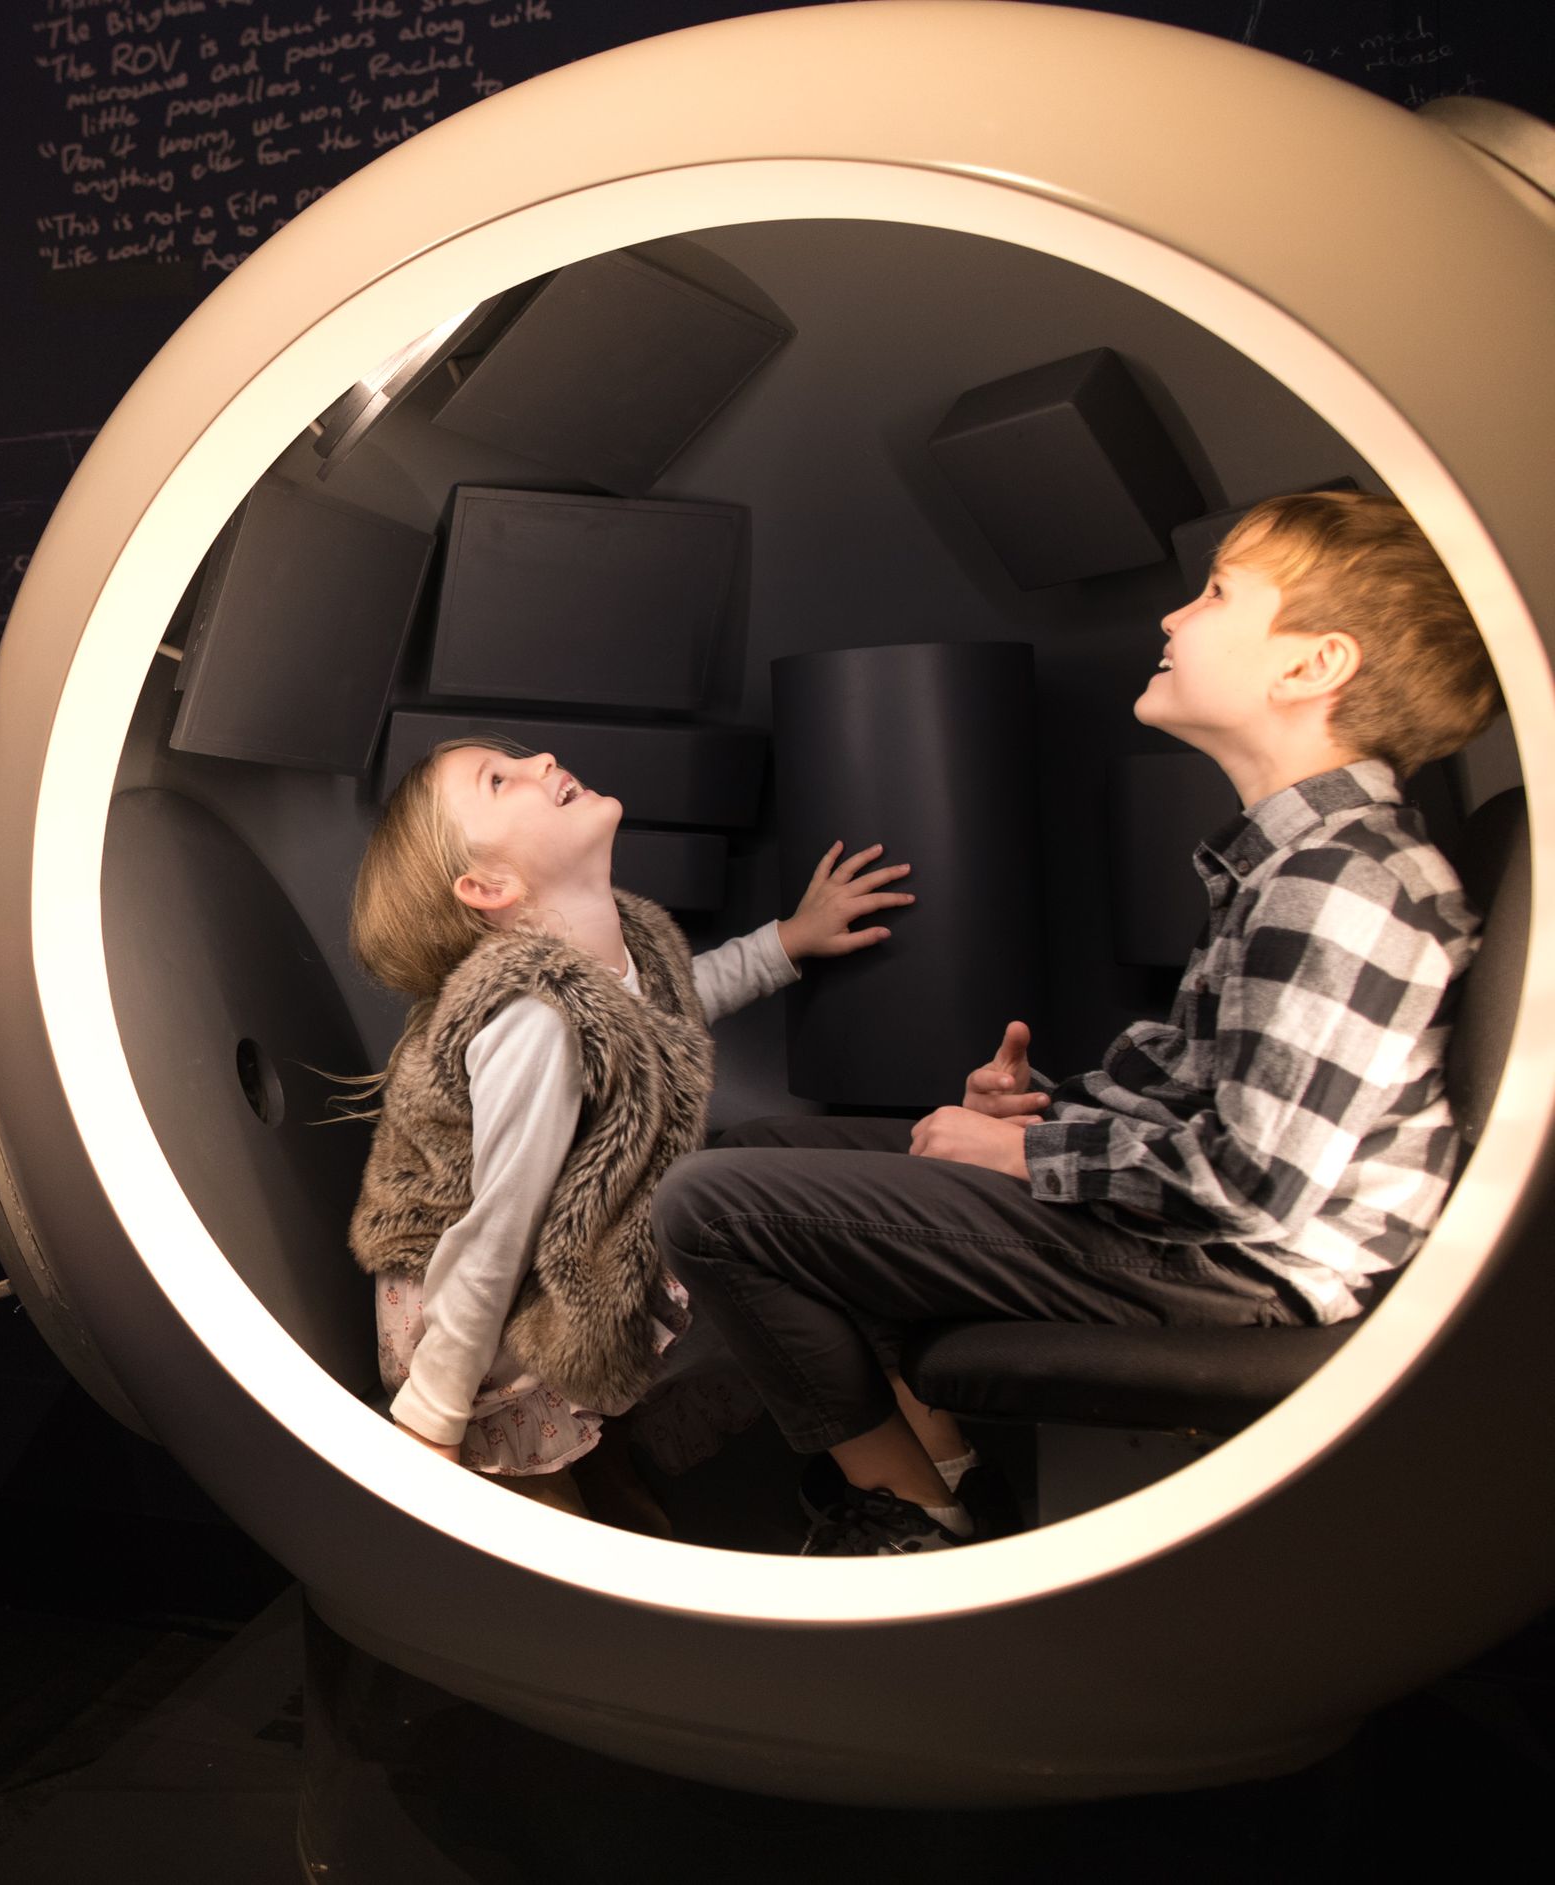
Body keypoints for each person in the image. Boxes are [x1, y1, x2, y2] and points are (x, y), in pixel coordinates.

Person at [657, 489, 1500, 1554]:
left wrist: (1027, 1151)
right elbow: (1213, 1092)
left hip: (1249, 1269)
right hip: (1207, 1225)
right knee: (762, 1150)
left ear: (1310, 666)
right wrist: (1040, 1112)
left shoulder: (1341, 882)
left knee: (711, 1202)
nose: (1171, 619)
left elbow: (1254, 1186)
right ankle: (953, 1478)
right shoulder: (1291, 862)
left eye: (1216, 595)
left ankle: (911, 1517)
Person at [345, 735, 914, 1523]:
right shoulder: (537, 1023)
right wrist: (435, 1415)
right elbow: (494, 1235)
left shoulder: (612, 950)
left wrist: (789, 939)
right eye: (500, 779)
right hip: (487, 1319)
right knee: (532, 1500)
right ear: (489, 884)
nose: (541, 759)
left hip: (556, 1256)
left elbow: (673, 1002)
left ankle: (616, 1482)